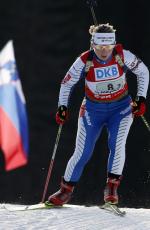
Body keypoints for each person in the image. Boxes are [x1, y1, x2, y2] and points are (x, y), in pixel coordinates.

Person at [47, 23, 149, 206]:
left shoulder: (123, 56)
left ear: (114, 44)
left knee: (117, 144)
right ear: (93, 44)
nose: (104, 51)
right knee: (82, 152)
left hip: (121, 109)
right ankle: (65, 191)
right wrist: (62, 107)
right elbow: (66, 83)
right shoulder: (84, 60)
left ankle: (111, 189)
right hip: (93, 110)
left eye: (108, 46)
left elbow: (143, 72)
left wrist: (141, 98)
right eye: (100, 46)